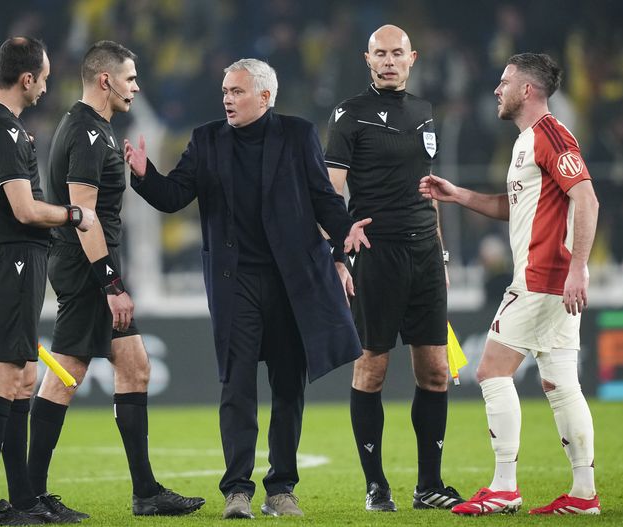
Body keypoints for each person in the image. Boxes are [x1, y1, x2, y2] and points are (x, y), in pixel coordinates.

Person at [124, 58, 371, 519]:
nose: (226, 98)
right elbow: (174, 196)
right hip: (235, 284)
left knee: (287, 387)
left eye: (236, 91)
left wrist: (345, 236)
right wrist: (144, 175)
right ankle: (237, 490)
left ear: (264, 96)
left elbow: (324, 198)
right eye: (224, 90)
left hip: (291, 283)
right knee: (236, 386)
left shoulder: (297, 135)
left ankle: (281, 489)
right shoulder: (206, 140)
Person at [27, 40, 205, 519]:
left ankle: (144, 492)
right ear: (105, 80)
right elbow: (83, 214)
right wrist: (110, 284)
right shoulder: (85, 132)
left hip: (91, 265)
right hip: (89, 268)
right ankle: (33, 494)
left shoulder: (98, 130)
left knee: (130, 366)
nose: (136, 86)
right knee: (67, 376)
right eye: (129, 78)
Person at [419, 53, 601, 516]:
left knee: (491, 371)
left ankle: (504, 488)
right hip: (548, 281)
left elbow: (587, 197)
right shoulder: (527, 142)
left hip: (542, 278)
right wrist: (458, 194)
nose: (497, 90)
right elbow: (513, 206)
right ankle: (584, 495)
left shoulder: (551, 135)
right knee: (561, 384)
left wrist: (580, 268)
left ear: (527, 90)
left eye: (505, 82)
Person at [324, 24, 462, 512]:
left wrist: (440, 254)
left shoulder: (425, 112)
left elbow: (428, 189)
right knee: (373, 367)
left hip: (425, 254)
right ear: (367, 59)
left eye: (396, 53)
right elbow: (330, 189)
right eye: (379, 54)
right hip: (376, 254)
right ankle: (376, 485)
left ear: (412, 58)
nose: (388, 61)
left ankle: (429, 485)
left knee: (437, 371)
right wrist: (341, 247)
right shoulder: (348, 115)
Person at [0, 37, 95, 525]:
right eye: (44, 77)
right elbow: (23, 209)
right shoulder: (7, 132)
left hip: (2, 259)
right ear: (26, 79)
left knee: (23, 380)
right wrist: (73, 214)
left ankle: (22, 501)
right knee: (4, 379)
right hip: (15, 259)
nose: (46, 86)